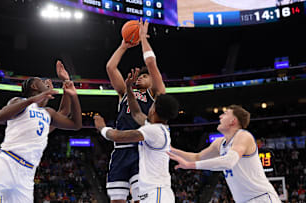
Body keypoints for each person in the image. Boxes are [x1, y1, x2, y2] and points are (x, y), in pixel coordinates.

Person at [0, 61, 82, 203]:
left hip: (27, 172)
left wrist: (70, 89)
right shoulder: (19, 102)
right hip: (8, 162)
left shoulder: (47, 114)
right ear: (33, 86)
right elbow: (0, 116)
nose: (46, 83)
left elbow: (72, 120)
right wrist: (36, 99)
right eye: (41, 81)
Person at [94, 68, 179, 202]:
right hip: (155, 188)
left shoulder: (152, 131)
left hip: (156, 192)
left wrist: (102, 128)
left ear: (154, 110)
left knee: (138, 198)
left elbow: (117, 136)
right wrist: (128, 88)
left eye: (152, 106)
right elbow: (136, 113)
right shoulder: (154, 127)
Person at [105, 19, 166, 203]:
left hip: (141, 149)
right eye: (140, 76)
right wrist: (123, 46)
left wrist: (143, 40)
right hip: (120, 149)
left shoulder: (153, 95)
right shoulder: (125, 91)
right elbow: (110, 67)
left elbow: (155, 75)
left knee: (141, 198)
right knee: (117, 200)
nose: (141, 78)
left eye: (145, 76)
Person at [168, 105, 281, 203]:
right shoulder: (219, 143)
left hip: (261, 198)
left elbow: (229, 162)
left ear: (233, 121)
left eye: (225, 114)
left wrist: (190, 165)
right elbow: (196, 157)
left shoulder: (243, 136)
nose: (220, 116)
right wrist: (169, 149)